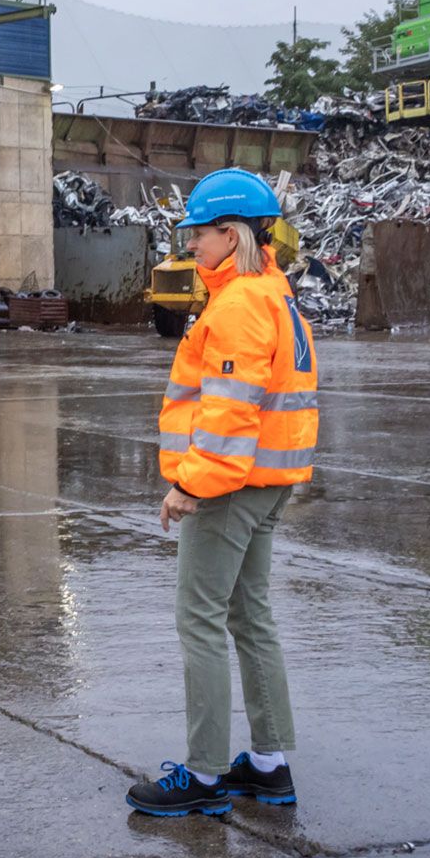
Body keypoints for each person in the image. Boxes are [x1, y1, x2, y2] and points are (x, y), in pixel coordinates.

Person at [128, 168, 317, 818]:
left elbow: (230, 410)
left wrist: (190, 485)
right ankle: (267, 764)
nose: (190, 245)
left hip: (230, 485)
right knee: (249, 614)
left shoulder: (239, 305)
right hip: (266, 481)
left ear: (231, 235)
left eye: (199, 233)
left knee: (200, 618)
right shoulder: (273, 295)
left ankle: (205, 774)